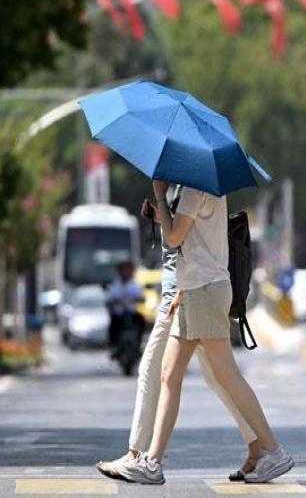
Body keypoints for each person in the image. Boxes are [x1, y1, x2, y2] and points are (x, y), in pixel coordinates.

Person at [115, 181, 294, 485]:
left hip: (203, 290)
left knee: (226, 375)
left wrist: (159, 193)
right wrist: (164, 215)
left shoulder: (195, 189)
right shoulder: (202, 187)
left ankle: (273, 451)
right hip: (194, 291)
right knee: (169, 375)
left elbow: (174, 239)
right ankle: (152, 462)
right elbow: (191, 233)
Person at [106, 260, 145, 354]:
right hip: (119, 314)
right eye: (124, 270)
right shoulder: (115, 284)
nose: (126, 272)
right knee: (113, 326)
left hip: (131, 313)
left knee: (141, 320)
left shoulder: (134, 285)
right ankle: (114, 347)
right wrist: (114, 303)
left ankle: (138, 345)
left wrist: (137, 300)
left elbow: (142, 298)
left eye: (128, 270)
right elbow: (109, 299)